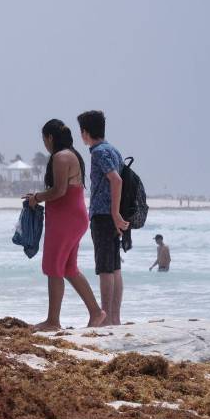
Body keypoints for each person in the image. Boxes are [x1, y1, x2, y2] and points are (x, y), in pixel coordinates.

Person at [25, 119, 107, 330]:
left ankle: (53, 321)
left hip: (66, 220)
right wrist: (39, 197)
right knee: (69, 268)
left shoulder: (61, 157)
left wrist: (37, 198)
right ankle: (96, 312)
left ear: (50, 137)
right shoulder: (72, 155)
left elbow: (59, 191)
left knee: (53, 267)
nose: (45, 144)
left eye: (44, 139)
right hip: (74, 218)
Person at [78, 110, 129, 325]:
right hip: (111, 215)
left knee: (105, 268)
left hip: (104, 215)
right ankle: (114, 318)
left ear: (85, 132)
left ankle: (106, 319)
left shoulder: (99, 152)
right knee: (114, 266)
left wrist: (114, 214)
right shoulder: (113, 150)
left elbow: (116, 180)